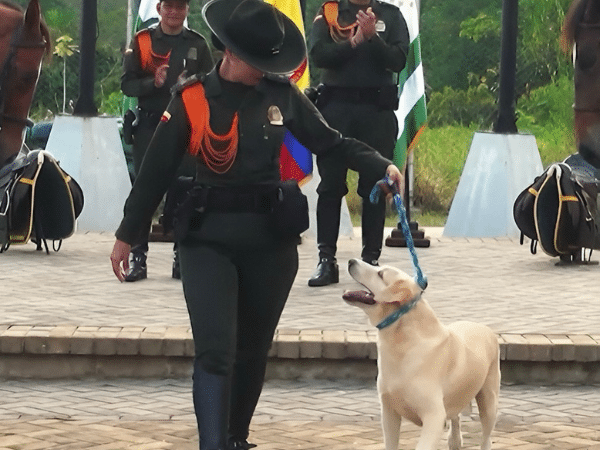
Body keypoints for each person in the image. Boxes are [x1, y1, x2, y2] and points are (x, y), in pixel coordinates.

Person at [110, 0, 402, 448]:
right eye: (260, 60)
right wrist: (127, 235)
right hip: (206, 241)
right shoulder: (191, 98)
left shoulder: (281, 95)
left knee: (251, 353)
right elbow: (155, 172)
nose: (269, 68)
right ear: (231, 53)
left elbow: (331, 142)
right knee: (215, 351)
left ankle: (235, 437)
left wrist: (381, 164)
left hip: (270, 243)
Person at [307, 0, 410, 286]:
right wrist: (354, 42)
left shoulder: (390, 15)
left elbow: (398, 59)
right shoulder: (330, 12)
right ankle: (326, 260)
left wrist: (372, 38)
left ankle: (371, 262)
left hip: (376, 114)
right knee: (330, 187)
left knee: (375, 188)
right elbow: (319, 55)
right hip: (336, 111)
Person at [121, 0, 214, 281]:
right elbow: (127, 84)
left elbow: (212, 83)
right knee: (144, 190)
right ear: (159, 9)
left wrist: (192, 85)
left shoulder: (198, 44)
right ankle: (138, 256)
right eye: (169, 7)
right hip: (150, 125)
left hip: (186, 127)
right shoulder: (143, 42)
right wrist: (154, 84)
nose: (174, 12)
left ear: (187, 10)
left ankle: (180, 255)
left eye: (180, 7)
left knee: (185, 191)